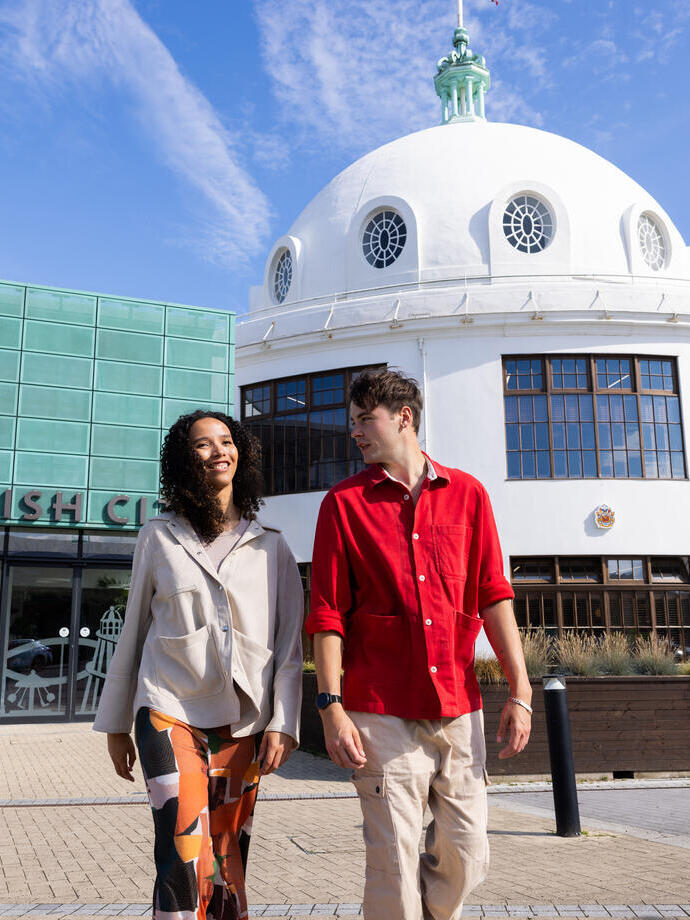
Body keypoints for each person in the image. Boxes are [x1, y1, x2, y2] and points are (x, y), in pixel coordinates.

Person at [305, 369, 532, 920]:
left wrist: (521, 691)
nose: (355, 432)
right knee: (393, 862)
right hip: (380, 710)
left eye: (365, 420)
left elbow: (493, 595)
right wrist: (330, 706)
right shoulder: (344, 504)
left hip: (458, 705)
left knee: (469, 852)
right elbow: (327, 613)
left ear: (403, 417)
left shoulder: (469, 495)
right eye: (352, 422)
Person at [94, 410, 303, 920]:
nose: (218, 451)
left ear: (242, 454)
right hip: (167, 708)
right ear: (184, 462)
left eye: (227, 441)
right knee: (184, 848)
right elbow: (135, 629)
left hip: (245, 719)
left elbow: (290, 644)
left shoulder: (271, 546)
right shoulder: (158, 536)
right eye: (203, 444)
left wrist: (284, 722)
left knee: (227, 861)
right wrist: (117, 724)